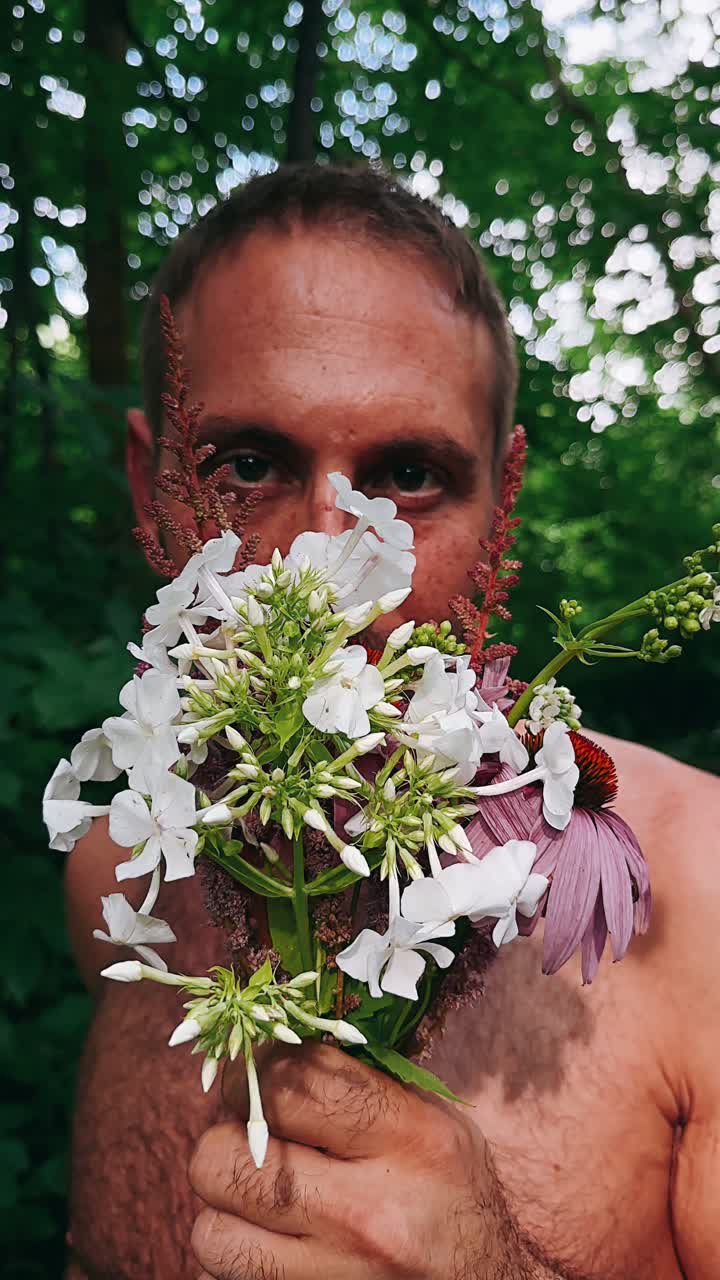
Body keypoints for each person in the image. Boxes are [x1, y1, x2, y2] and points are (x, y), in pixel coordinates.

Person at [64, 163, 720, 1280]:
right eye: (250, 465)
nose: (330, 572)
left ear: (502, 503)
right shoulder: (113, 873)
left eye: (410, 475)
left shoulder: (701, 896)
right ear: (150, 482)